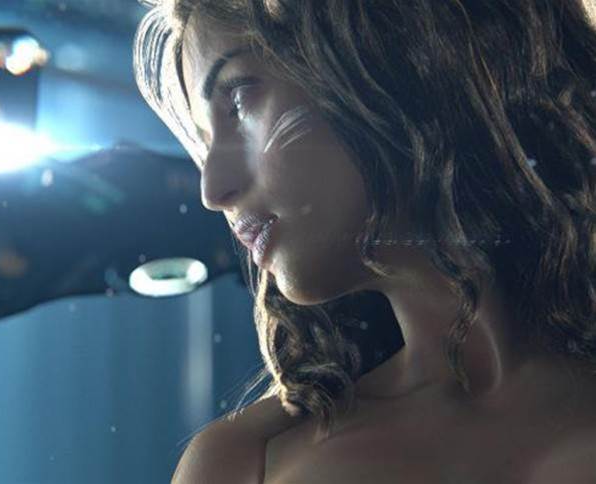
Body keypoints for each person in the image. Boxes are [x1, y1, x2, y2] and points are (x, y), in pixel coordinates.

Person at [134, 0, 596, 482]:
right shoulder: (243, 463)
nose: (212, 190)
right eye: (205, 139)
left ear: (394, 44)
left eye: (238, 101)